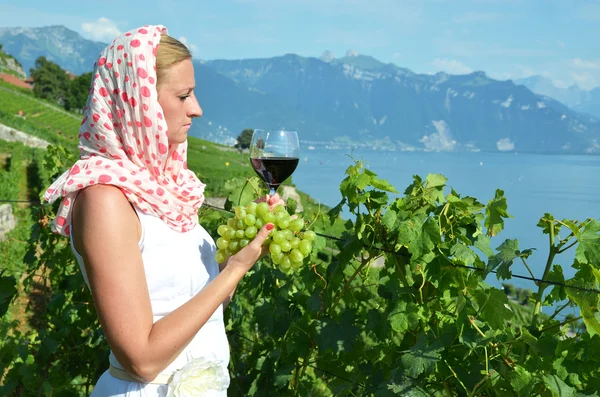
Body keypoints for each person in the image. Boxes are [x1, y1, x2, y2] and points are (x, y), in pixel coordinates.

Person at [44, 25, 281, 396]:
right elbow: (142, 359)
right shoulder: (105, 199)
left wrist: (237, 256)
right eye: (184, 95)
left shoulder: (164, 188)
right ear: (140, 103)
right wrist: (235, 270)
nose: (197, 109)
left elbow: (187, 301)